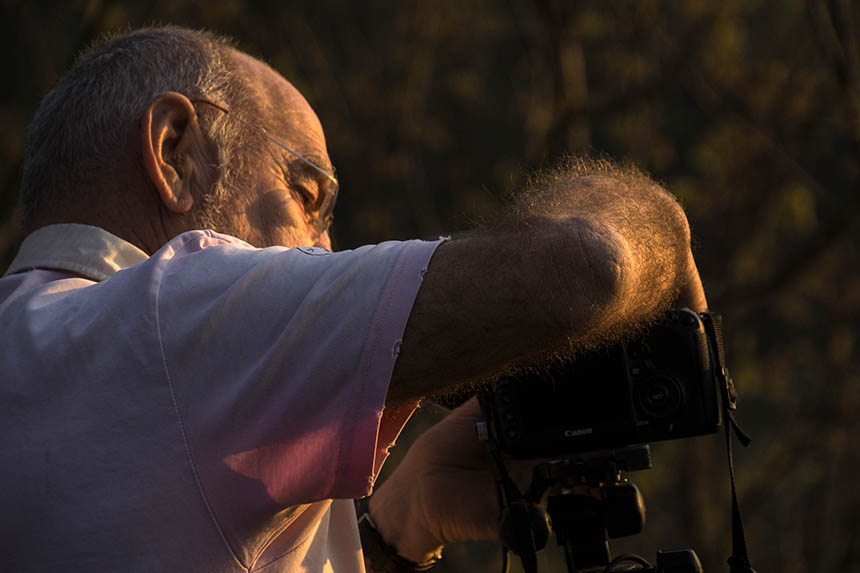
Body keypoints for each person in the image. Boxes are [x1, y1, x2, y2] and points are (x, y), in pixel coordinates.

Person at [0, 26, 708, 572]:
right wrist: (663, 225)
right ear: (176, 151)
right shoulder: (172, 311)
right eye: (308, 197)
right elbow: (590, 263)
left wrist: (394, 532)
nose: (325, 253)